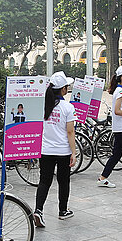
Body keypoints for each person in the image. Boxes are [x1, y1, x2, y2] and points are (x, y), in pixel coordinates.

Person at [34, 71, 77, 227]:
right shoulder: (67, 107)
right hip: (63, 151)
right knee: (63, 181)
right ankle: (62, 211)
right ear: (63, 90)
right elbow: (70, 131)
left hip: (45, 150)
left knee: (44, 181)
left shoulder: (44, 106)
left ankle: (38, 210)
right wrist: (74, 152)